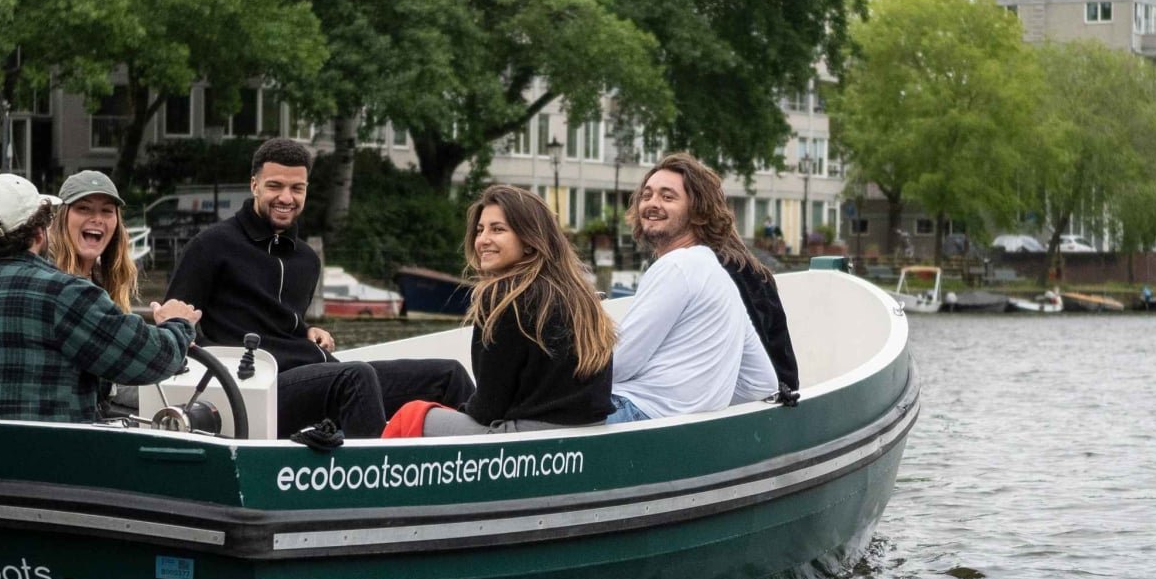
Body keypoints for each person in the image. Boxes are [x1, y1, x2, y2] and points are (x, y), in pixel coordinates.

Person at [164, 138, 474, 439]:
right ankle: (374, 482)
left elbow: (279, 321)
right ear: (254, 185)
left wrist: (307, 329)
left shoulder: (306, 260)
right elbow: (175, 327)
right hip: (257, 386)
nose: (286, 197)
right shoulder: (211, 246)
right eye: (275, 186)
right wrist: (225, 370)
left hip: (316, 373)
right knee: (356, 377)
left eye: (297, 188)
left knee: (448, 375)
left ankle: (492, 458)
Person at [0, 173, 200, 423]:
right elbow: (152, 359)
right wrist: (178, 325)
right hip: (49, 465)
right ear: (40, 232)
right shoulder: (62, 293)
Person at [421, 185, 615, 436]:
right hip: (587, 433)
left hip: (527, 442)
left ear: (529, 240)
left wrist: (456, 412)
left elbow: (488, 409)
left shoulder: (506, 296)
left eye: (498, 229)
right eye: (480, 230)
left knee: (414, 413)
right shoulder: (582, 297)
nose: (483, 240)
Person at [606, 154, 779, 424]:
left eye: (667, 197)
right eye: (647, 195)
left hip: (632, 412)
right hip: (684, 428)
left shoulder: (676, 267)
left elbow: (618, 363)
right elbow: (761, 383)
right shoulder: (716, 274)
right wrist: (694, 404)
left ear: (697, 211)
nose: (652, 204)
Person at [49, 169, 142, 416]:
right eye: (84, 209)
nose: (97, 219)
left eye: (106, 211)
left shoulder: (104, 281)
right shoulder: (49, 280)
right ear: (62, 218)